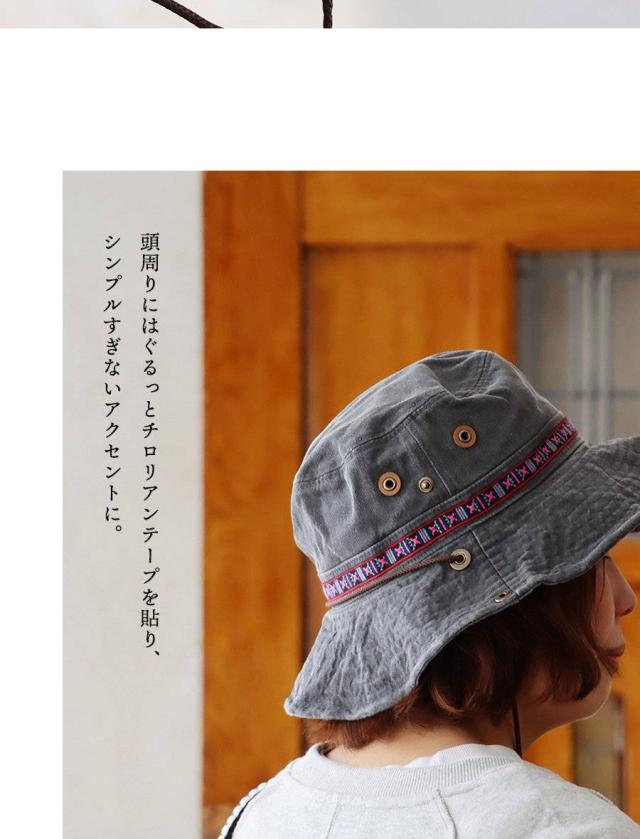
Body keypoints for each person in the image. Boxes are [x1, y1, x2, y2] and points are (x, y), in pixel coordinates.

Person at [219, 349, 640, 838]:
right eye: (593, 554)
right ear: (513, 598)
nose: (626, 599)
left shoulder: (262, 816)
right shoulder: (568, 830)